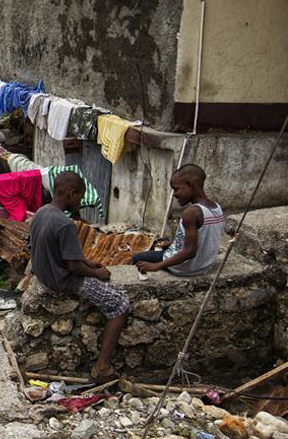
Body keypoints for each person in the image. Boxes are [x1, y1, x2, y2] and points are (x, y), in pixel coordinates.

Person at [30, 171, 129, 383]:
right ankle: (102, 366)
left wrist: (86, 262)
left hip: (45, 274)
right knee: (120, 304)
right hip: (63, 281)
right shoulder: (65, 224)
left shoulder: (42, 212)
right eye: (80, 197)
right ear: (72, 193)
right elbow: (73, 266)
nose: (81, 202)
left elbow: (67, 256)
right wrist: (96, 272)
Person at [133, 164, 224, 276]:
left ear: (190, 185)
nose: (175, 194)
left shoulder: (191, 213)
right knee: (160, 243)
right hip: (205, 266)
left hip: (185, 268)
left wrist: (156, 266)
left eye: (176, 189)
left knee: (137, 257)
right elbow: (201, 239)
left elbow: (190, 251)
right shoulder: (216, 207)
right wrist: (172, 243)